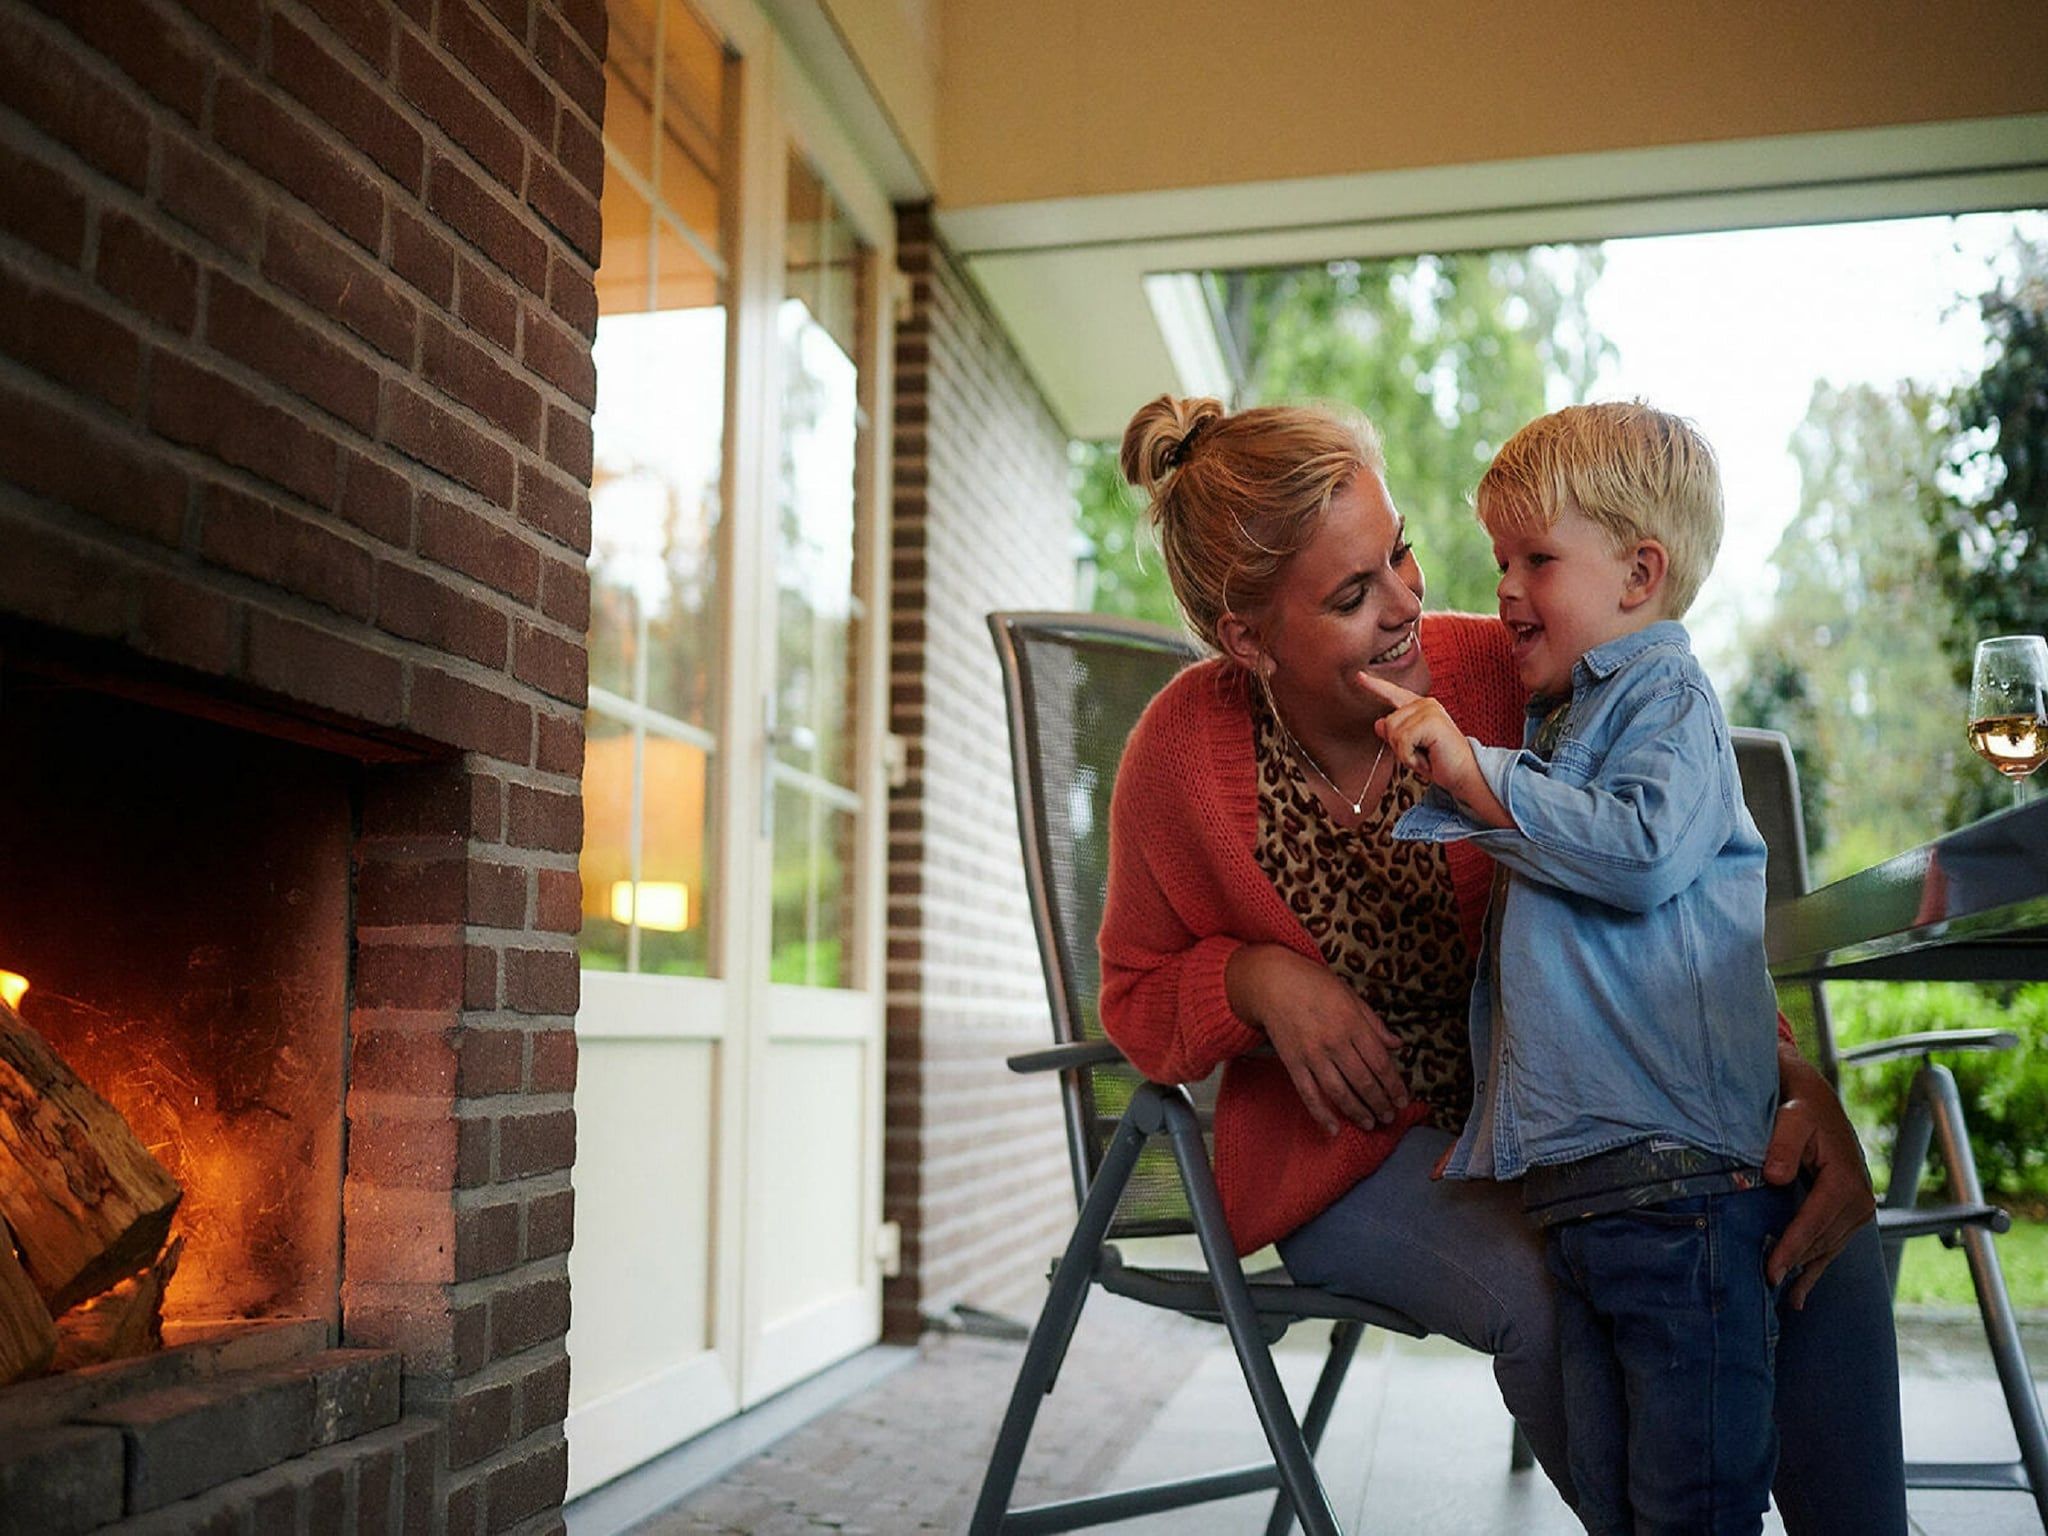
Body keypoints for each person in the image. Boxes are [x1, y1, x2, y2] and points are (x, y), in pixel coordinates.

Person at [1098, 393, 1907, 1533]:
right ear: (1247, 639)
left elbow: (1652, 886)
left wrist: (1783, 1083)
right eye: (1349, 595)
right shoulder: (1180, 756)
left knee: (1805, 1216)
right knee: (1557, 1287)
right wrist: (1252, 981)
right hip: (1355, 1160)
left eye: (1400, 553)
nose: (1406, 605)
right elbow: (1132, 999)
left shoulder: (1511, 675)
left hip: (1585, 1114)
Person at [1370, 402, 1802, 1533]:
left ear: (1638, 573)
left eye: (1536, 559)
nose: (1506, 588)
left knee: (1689, 1501)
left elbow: (1642, 850)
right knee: (1616, 1500)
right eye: (1498, 559)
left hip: (1680, 1195)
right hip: (1593, 1197)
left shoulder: (1666, 703)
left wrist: (1479, 777)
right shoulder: (1569, 721)